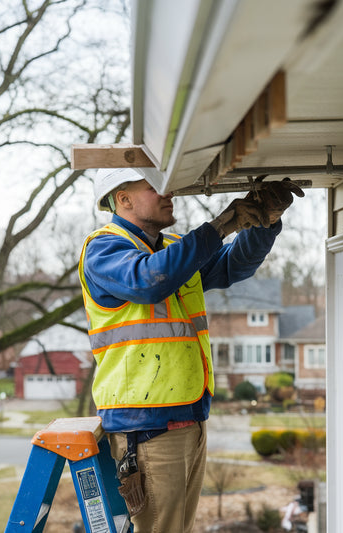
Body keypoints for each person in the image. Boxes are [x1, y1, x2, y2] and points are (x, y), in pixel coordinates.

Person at [78, 167, 302, 532]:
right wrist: (220, 226)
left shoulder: (173, 249)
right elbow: (149, 280)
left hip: (188, 419)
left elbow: (232, 265)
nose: (169, 195)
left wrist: (263, 223)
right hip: (145, 427)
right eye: (154, 187)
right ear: (123, 199)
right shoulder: (104, 249)